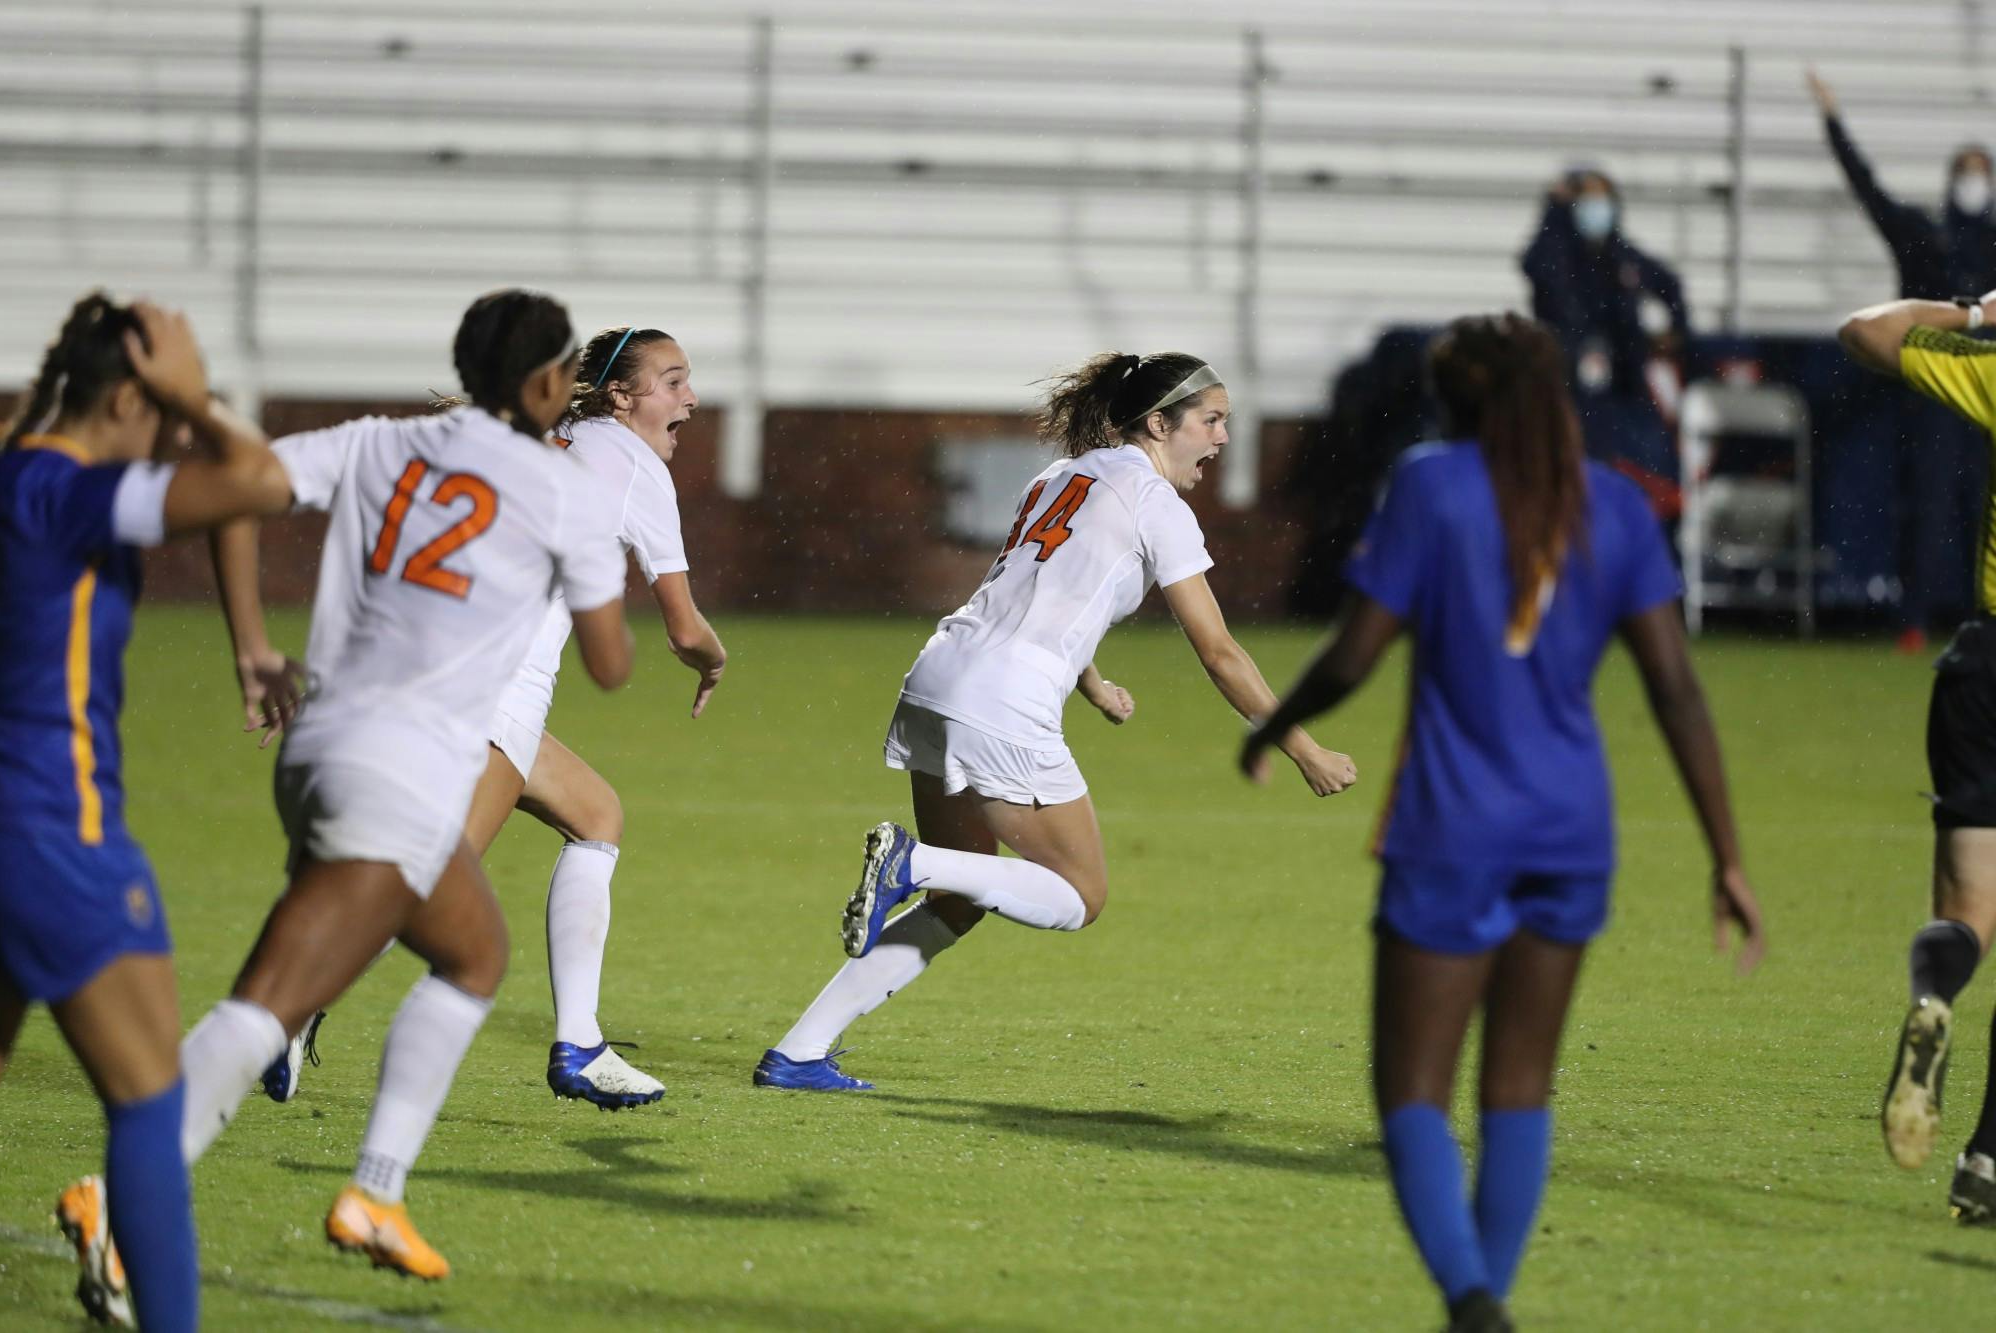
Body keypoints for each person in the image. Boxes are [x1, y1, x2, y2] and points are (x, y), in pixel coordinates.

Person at [63, 289, 635, 1308]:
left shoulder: (379, 440)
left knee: (461, 952)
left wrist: (249, 642)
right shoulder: (565, 493)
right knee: (286, 996)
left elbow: (237, 483)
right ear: (550, 384)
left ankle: (372, 1191)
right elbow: (607, 662)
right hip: (402, 764)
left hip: (317, 744)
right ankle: (132, 1195)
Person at [1241, 313, 1766, 1333]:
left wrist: (1277, 724)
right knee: (1520, 1086)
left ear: (1458, 401)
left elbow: (1353, 654)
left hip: (1450, 829)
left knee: (1411, 1093)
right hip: (1572, 834)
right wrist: (1727, 857)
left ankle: (1472, 1302)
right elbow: (1675, 690)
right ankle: (1480, 1307)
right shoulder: (1611, 506)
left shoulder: (1431, 486)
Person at [752, 351, 1357, 1092]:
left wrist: (1094, 683)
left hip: (939, 676)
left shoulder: (1060, 476)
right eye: (1211, 421)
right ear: (1159, 423)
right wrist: (1304, 747)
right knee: (1078, 895)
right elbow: (1222, 652)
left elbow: (1033, 592)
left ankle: (801, 1050)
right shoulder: (1158, 505)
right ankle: (911, 864)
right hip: (1004, 703)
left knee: (960, 903)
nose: (1223, 438)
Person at [258, 324, 726, 1111]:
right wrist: (714, 659)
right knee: (416, 886)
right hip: (495, 694)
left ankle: (580, 1041)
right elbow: (683, 628)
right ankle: (282, 1013)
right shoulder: (636, 467)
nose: (691, 397)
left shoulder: (542, 441)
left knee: (597, 813)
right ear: (623, 395)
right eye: (674, 381)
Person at [0, 295, 303, 1331]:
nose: (174, 429)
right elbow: (255, 478)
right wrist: (199, 397)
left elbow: (219, 500)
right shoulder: (67, 490)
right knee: (144, 1098)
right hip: (53, 830)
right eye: (161, 408)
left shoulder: (11, 460)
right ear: (129, 393)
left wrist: (247, 642)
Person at [1840, 288, 1996, 1224]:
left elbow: (1866, 332)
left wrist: (1976, 312)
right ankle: (1985, 1161)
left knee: (1968, 912)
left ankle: (1935, 994)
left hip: (1983, 665)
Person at [1808, 68, 1996, 650]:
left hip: (1981, 378)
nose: (1972, 183)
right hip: (1942, 384)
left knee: (1975, 506)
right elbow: (1868, 190)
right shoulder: (1923, 233)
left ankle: (1974, 622)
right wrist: (1834, 123)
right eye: (1965, 171)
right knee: (1933, 504)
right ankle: (1917, 619)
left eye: (1980, 172)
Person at [1520, 166, 1689, 502]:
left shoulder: (1621, 255)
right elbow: (1537, 266)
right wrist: (1553, 209)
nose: (1596, 211)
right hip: (1568, 383)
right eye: (1586, 201)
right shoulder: (1557, 252)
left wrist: (1673, 331)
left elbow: (1669, 285)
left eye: (1602, 201)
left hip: (1624, 387)